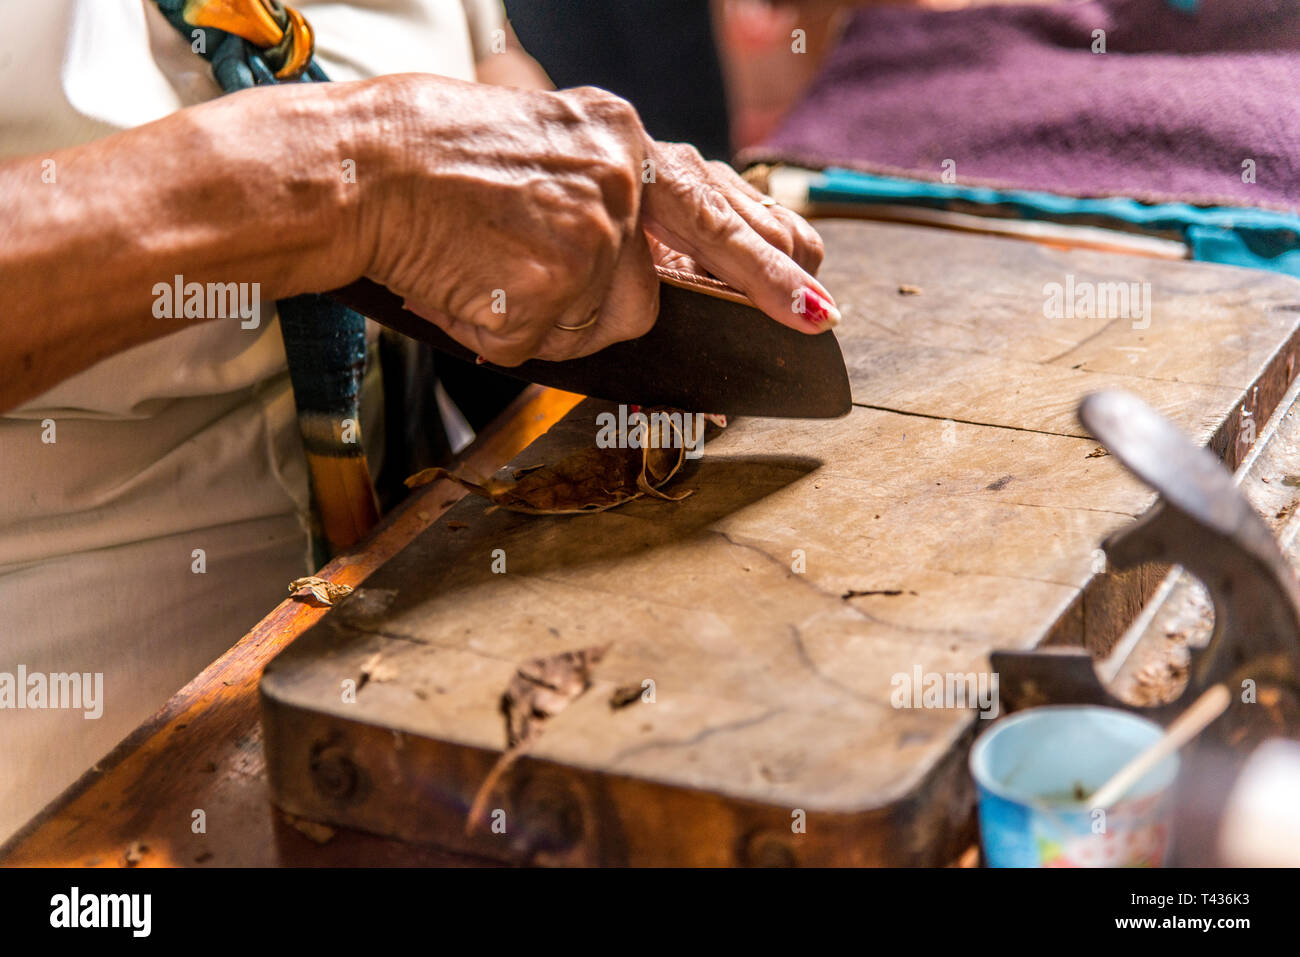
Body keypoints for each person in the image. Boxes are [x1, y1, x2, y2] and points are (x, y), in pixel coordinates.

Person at [0, 0, 836, 843]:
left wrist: (593, 208)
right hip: (85, 772)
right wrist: (338, 177)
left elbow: (484, 63)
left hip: (422, 630)